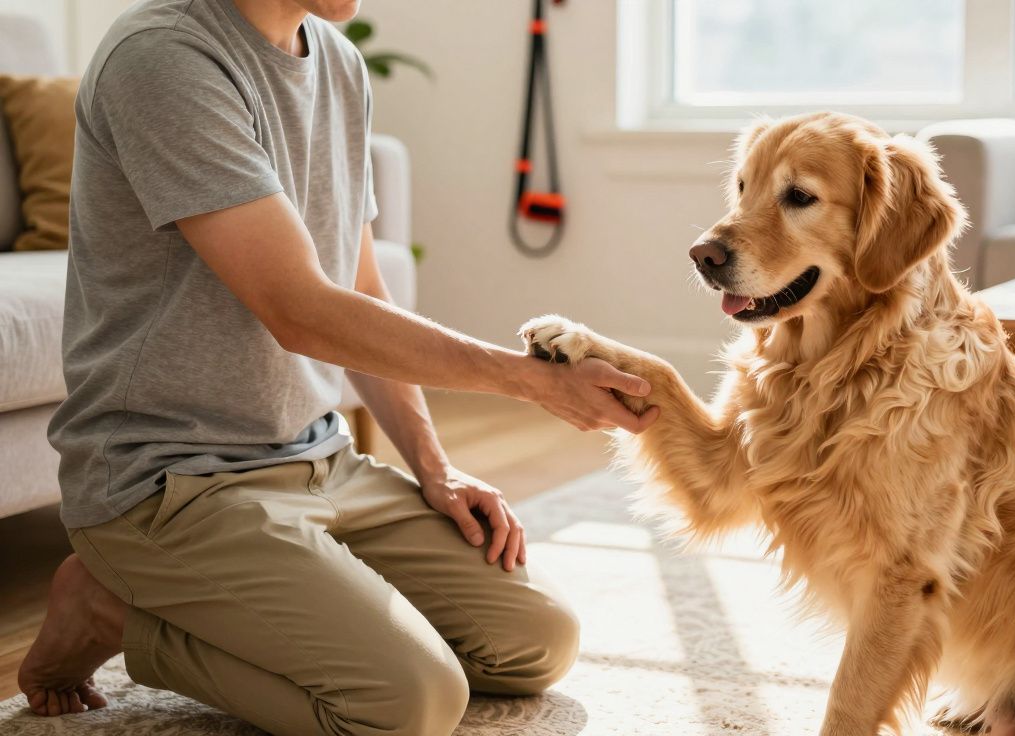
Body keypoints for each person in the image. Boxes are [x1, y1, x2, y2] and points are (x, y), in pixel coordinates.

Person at [17, 0, 659, 732]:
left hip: (319, 460)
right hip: (168, 481)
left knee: (533, 642)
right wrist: (527, 379)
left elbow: (359, 290)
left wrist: (434, 466)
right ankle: (113, 611)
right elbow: (299, 308)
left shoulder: (338, 61)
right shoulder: (164, 58)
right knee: (408, 703)